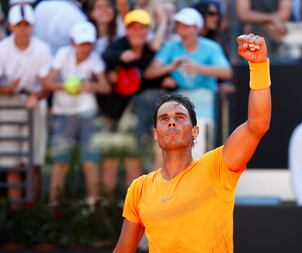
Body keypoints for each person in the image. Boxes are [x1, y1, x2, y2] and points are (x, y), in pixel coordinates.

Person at [113, 33, 271, 252]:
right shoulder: (139, 189)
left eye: (179, 118)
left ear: (194, 131)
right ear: (155, 133)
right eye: (164, 119)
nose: (171, 123)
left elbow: (257, 125)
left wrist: (259, 65)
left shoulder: (217, 167)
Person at [145, 7, 232, 159]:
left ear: (197, 28)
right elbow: (149, 73)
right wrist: (170, 67)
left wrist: (198, 68)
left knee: (199, 153)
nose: (182, 31)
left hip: (204, 105)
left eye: (186, 26)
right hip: (177, 103)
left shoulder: (211, 47)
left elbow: (226, 72)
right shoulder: (171, 47)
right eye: (178, 26)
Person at [101, 9, 168, 196]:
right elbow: (105, 59)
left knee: (134, 158)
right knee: (111, 158)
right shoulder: (118, 47)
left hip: (138, 116)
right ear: (127, 30)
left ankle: (134, 204)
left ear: (148, 31)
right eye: (133, 28)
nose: (138, 32)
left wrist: (163, 81)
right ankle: (106, 208)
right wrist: (118, 60)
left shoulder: (148, 51)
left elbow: (147, 77)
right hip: (114, 114)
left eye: (142, 28)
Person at [45, 21, 110, 205]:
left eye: (88, 43)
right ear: (73, 42)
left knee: (89, 160)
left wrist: (91, 86)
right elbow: (48, 83)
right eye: (82, 43)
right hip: (64, 113)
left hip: (86, 112)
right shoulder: (63, 54)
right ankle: (54, 205)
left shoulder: (95, 59)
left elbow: (105, 87)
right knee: (60, 161)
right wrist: (64, 86)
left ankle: (93, 205)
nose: (85, 48)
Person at [0, 4, 51, 202]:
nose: (23, 29)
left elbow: (47, 83)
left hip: (34, 103)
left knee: (34, 161)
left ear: (32, 27)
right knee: (11, 161)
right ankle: (15, 212)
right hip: (7, 106)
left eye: (27, 24)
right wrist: (7, 89)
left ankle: (32, 211)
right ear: (11, 26)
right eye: (19, 24)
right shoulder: (3, 49)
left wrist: (36, 96)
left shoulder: (42, 49)